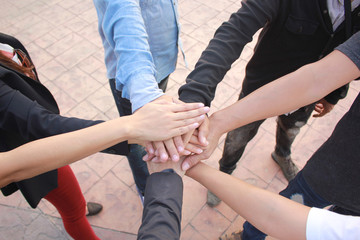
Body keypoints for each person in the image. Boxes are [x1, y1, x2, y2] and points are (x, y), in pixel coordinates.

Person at [0, 32, 208, 240]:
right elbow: (41, 127)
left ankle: (80, 206)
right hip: (25, 153)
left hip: (41, 144)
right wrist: (132, 128)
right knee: (72, 212)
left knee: (73, 199)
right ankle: (78, 211)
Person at [178, 0, 360, 207]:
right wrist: (192, 102)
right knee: (238, 137)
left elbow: (350, 59)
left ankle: (282, 154)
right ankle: (224, 172)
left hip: (308, 100)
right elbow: (234, 32)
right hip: (259, 90)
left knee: (291, 129)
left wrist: (332, 95)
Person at [93, 0, 185, 199]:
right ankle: (146, 190)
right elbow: (123, 9)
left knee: (146, 134)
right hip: (132, 77)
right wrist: (145, 96)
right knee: (137, 141)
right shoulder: (140, 87)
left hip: (162, 62)